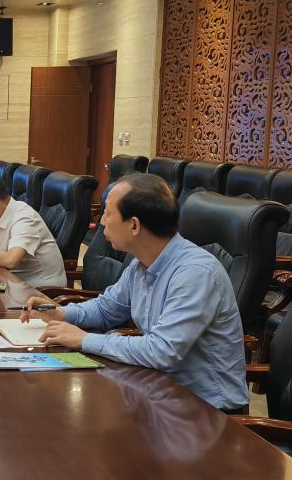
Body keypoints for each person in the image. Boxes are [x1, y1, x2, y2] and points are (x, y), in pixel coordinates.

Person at [22, 173, 248, 411]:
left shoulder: (195, 273)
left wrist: (84, 339)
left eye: (108, 213)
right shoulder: (141, 264)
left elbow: (162, 351)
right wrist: (62, 313)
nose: (102, 222)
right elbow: (106, 308)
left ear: (134, 225)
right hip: (158, 391)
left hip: (207, 410)